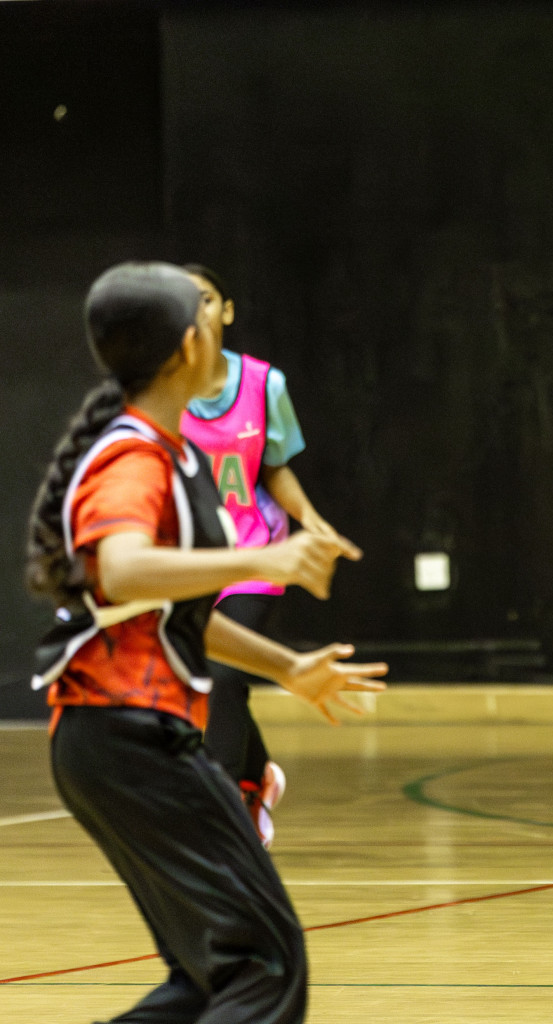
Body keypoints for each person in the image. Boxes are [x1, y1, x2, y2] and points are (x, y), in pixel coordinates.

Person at [26, 261, 387, 1023]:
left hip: (114, 738)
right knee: (265, 967)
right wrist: (265, 557)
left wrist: (289, 668)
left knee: (212, 978)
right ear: (191, 344)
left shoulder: (166, 448)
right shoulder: (133, 456)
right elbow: (123, 570)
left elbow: (172, 612)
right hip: (127, 736)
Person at [179, 264, 360, 849]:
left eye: (204, 299)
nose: (194, 310)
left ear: (226, 310)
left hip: (258, 553)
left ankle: (226, 805)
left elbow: (274, 467)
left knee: (223, 671)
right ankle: (259, 776)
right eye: (181, 301)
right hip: (191, 562)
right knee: (211, 679)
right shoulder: (161, 389)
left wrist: (311, 520)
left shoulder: (264, 385)